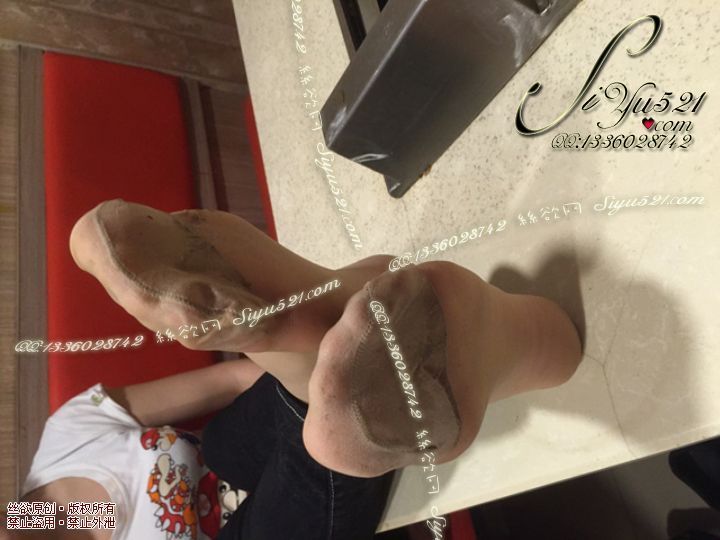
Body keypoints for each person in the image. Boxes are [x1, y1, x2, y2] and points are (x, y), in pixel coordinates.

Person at [4, 199, 582, 538]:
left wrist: (301, 380)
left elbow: (227, 380)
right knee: (324, 443)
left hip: (242, 454)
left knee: (233, 440)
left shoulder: (66, 442)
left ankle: (313, 348)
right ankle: (338, 360)